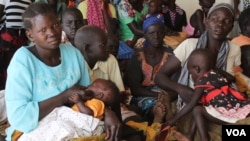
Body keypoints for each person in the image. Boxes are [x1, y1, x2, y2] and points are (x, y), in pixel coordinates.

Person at [4, 2, 121, 141]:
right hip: (37, 130)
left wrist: (107, 112)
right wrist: (64, 97)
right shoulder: (22, 62)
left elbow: (89, 93)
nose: (52, 33)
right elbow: (19, 117)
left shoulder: (72, 53)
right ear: (30, 35)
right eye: (43, 30)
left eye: (55, 25)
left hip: (76, 123)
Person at [155, 3, 241, 140]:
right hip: (191, 103)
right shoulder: (189, 45)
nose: (219, 24)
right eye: (215, 19)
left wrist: (216, 74)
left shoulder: (234, 49)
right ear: (206, 22)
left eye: (226, 21)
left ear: (232, 26)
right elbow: (160, 77)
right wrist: (180, 89)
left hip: (220, 104)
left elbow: (232, 79)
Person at [162, 48, 250, 141]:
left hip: (227, 113)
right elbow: (232, 78)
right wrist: (213, 68)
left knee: (197, 110)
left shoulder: (202, 81)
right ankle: (190, 136)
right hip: (239, 107)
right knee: (200, 107)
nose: (192, 77)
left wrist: (173, 120)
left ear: (197, 69)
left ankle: (204, 138)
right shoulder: (217, 74)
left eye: (191, 73)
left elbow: (192, 104)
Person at [124, 14, 175, 122]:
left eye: (159, 32)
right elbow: (135, 89)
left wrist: (166, 96)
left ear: (164, 34)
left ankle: (160, 117)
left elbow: (176, 84)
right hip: (144, 94)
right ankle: (158, 115)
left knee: (170, 104)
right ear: (145, 35)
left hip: (167, 93)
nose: (156, 36)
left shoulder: (171, 55)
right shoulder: (138, 56)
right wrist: (158, 96)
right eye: (151, 33)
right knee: (153, 105)